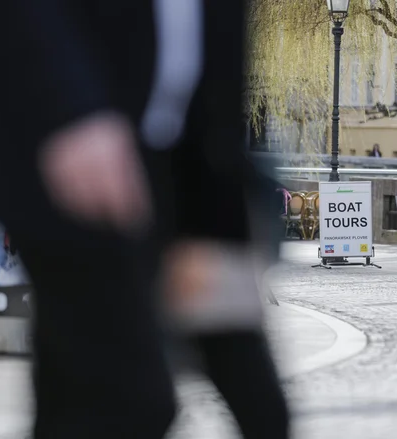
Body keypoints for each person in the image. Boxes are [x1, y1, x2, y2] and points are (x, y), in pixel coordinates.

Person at [0, 1, 175, 438]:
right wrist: (72, 108)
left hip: (116, 140)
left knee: (82, 389)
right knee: (130, 393)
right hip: (73, 141)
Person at [140, 0, 290, 438]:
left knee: (260, 404)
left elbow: (218, 95)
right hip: (106, 189)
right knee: (125, 399)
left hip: (204, 198)